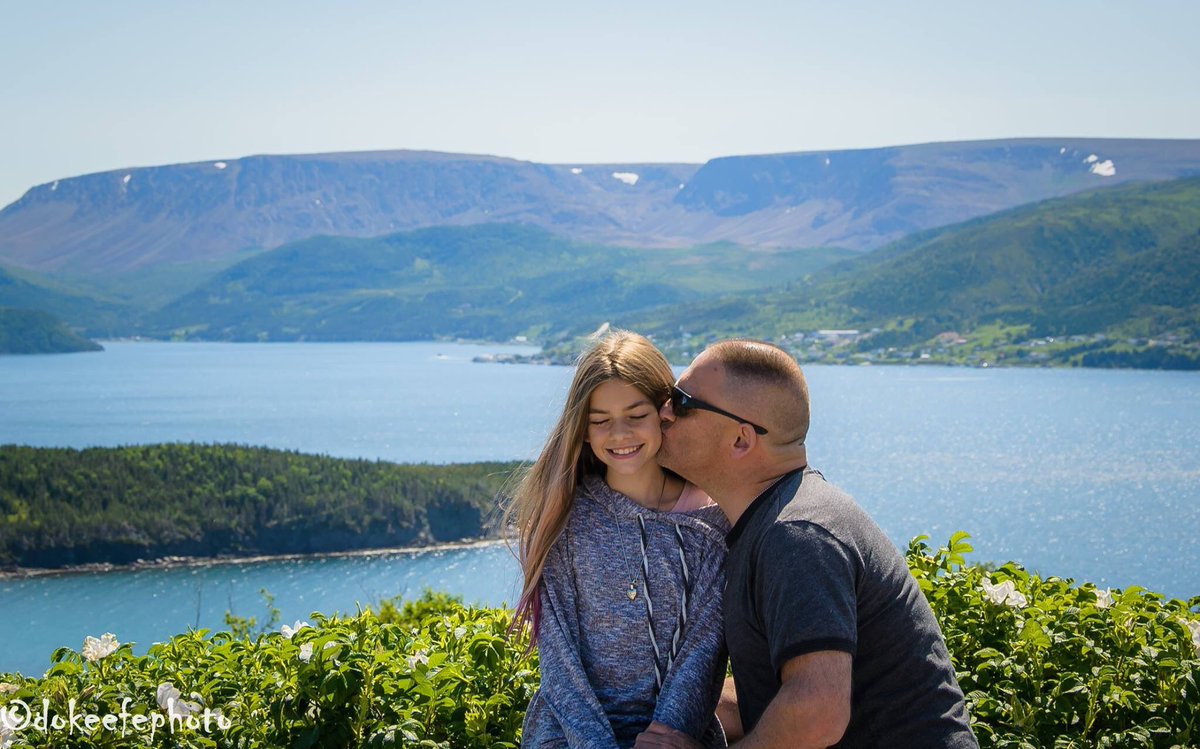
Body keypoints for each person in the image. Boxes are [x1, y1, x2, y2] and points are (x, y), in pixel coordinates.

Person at [646, 339, 978, 749]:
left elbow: (817, 712)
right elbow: (772, 695)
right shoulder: (777, 519)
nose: (662, 412)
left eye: (681, 402)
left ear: (740, 440)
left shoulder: (796, 534)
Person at [510, 330, 731, 749]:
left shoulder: (711, 523)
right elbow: (559, 659)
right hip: (568, 735)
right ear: (583, 429)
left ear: (665, 413)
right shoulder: (566, 519)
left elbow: (703, 653)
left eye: (636, 415)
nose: (620, 433)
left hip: (676, 738)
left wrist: (666, 735)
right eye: (600, 421)